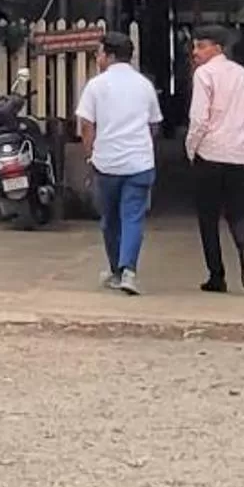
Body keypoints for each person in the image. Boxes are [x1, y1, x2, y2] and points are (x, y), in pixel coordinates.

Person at [185, 24, 244, 293]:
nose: (195, 51)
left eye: (201, 46)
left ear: (218, 48)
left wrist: (191, 148)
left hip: (209, 153)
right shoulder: (243, 75)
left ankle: (216, 275)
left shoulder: (204, 75)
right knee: (237, 212)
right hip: (238, 154)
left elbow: (199, 119)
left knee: (208, 218)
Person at [75, 31, 160, 294]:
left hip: (108, 163)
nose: (97, 58)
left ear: (109, 56)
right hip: (140, 163)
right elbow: (154, 123)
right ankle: (129, 272)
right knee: (133, 217)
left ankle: (116, 269)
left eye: (99, 53)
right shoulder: (144, 85)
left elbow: (87, 125)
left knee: (110, 220)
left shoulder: (96, 86)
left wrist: (90, 153)